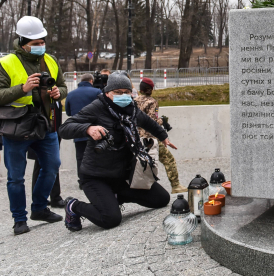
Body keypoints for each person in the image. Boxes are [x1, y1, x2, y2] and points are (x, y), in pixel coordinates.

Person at [59, 72, 176, 231]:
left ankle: (112, 199)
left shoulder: (132, 109)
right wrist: (88, 128)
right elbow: (64, 128)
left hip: (122, 176)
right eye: (118, 92)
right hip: (96, 176)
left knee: (161, 199)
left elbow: (148, 122)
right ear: (107, 93)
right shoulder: (97, 107)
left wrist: (163, 136)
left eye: (127, 92)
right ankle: (74, 206)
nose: (123, 95)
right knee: (110, 219)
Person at [0, 16, 67, 235]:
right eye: (35, 44)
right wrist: (22, 89)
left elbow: (62, 85)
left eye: (42, 42)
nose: (41, 46)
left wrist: (59, 92)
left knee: (52, 165)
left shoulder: (50, 60)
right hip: (16, 127)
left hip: (45, 123)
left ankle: (40, 208)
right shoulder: (6, 63)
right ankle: (19, 219)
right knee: (16, 176)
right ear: (22, 42)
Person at [135, 77, 186, 193]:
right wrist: (162, 121)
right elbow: (152, 121)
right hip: (151, 137)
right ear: (150, 89)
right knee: (169, 160)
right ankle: (176, 186)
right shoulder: (152, 102)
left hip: (138, 137)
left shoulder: (134, 100)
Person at [65, 73, 102, 172]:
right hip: (94, 129)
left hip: (77, 130)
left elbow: (68, 112)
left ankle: (81, 179)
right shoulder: (97, 91)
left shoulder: (71, 94)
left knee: (80, 156)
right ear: (91, 81)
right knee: (95, 156)